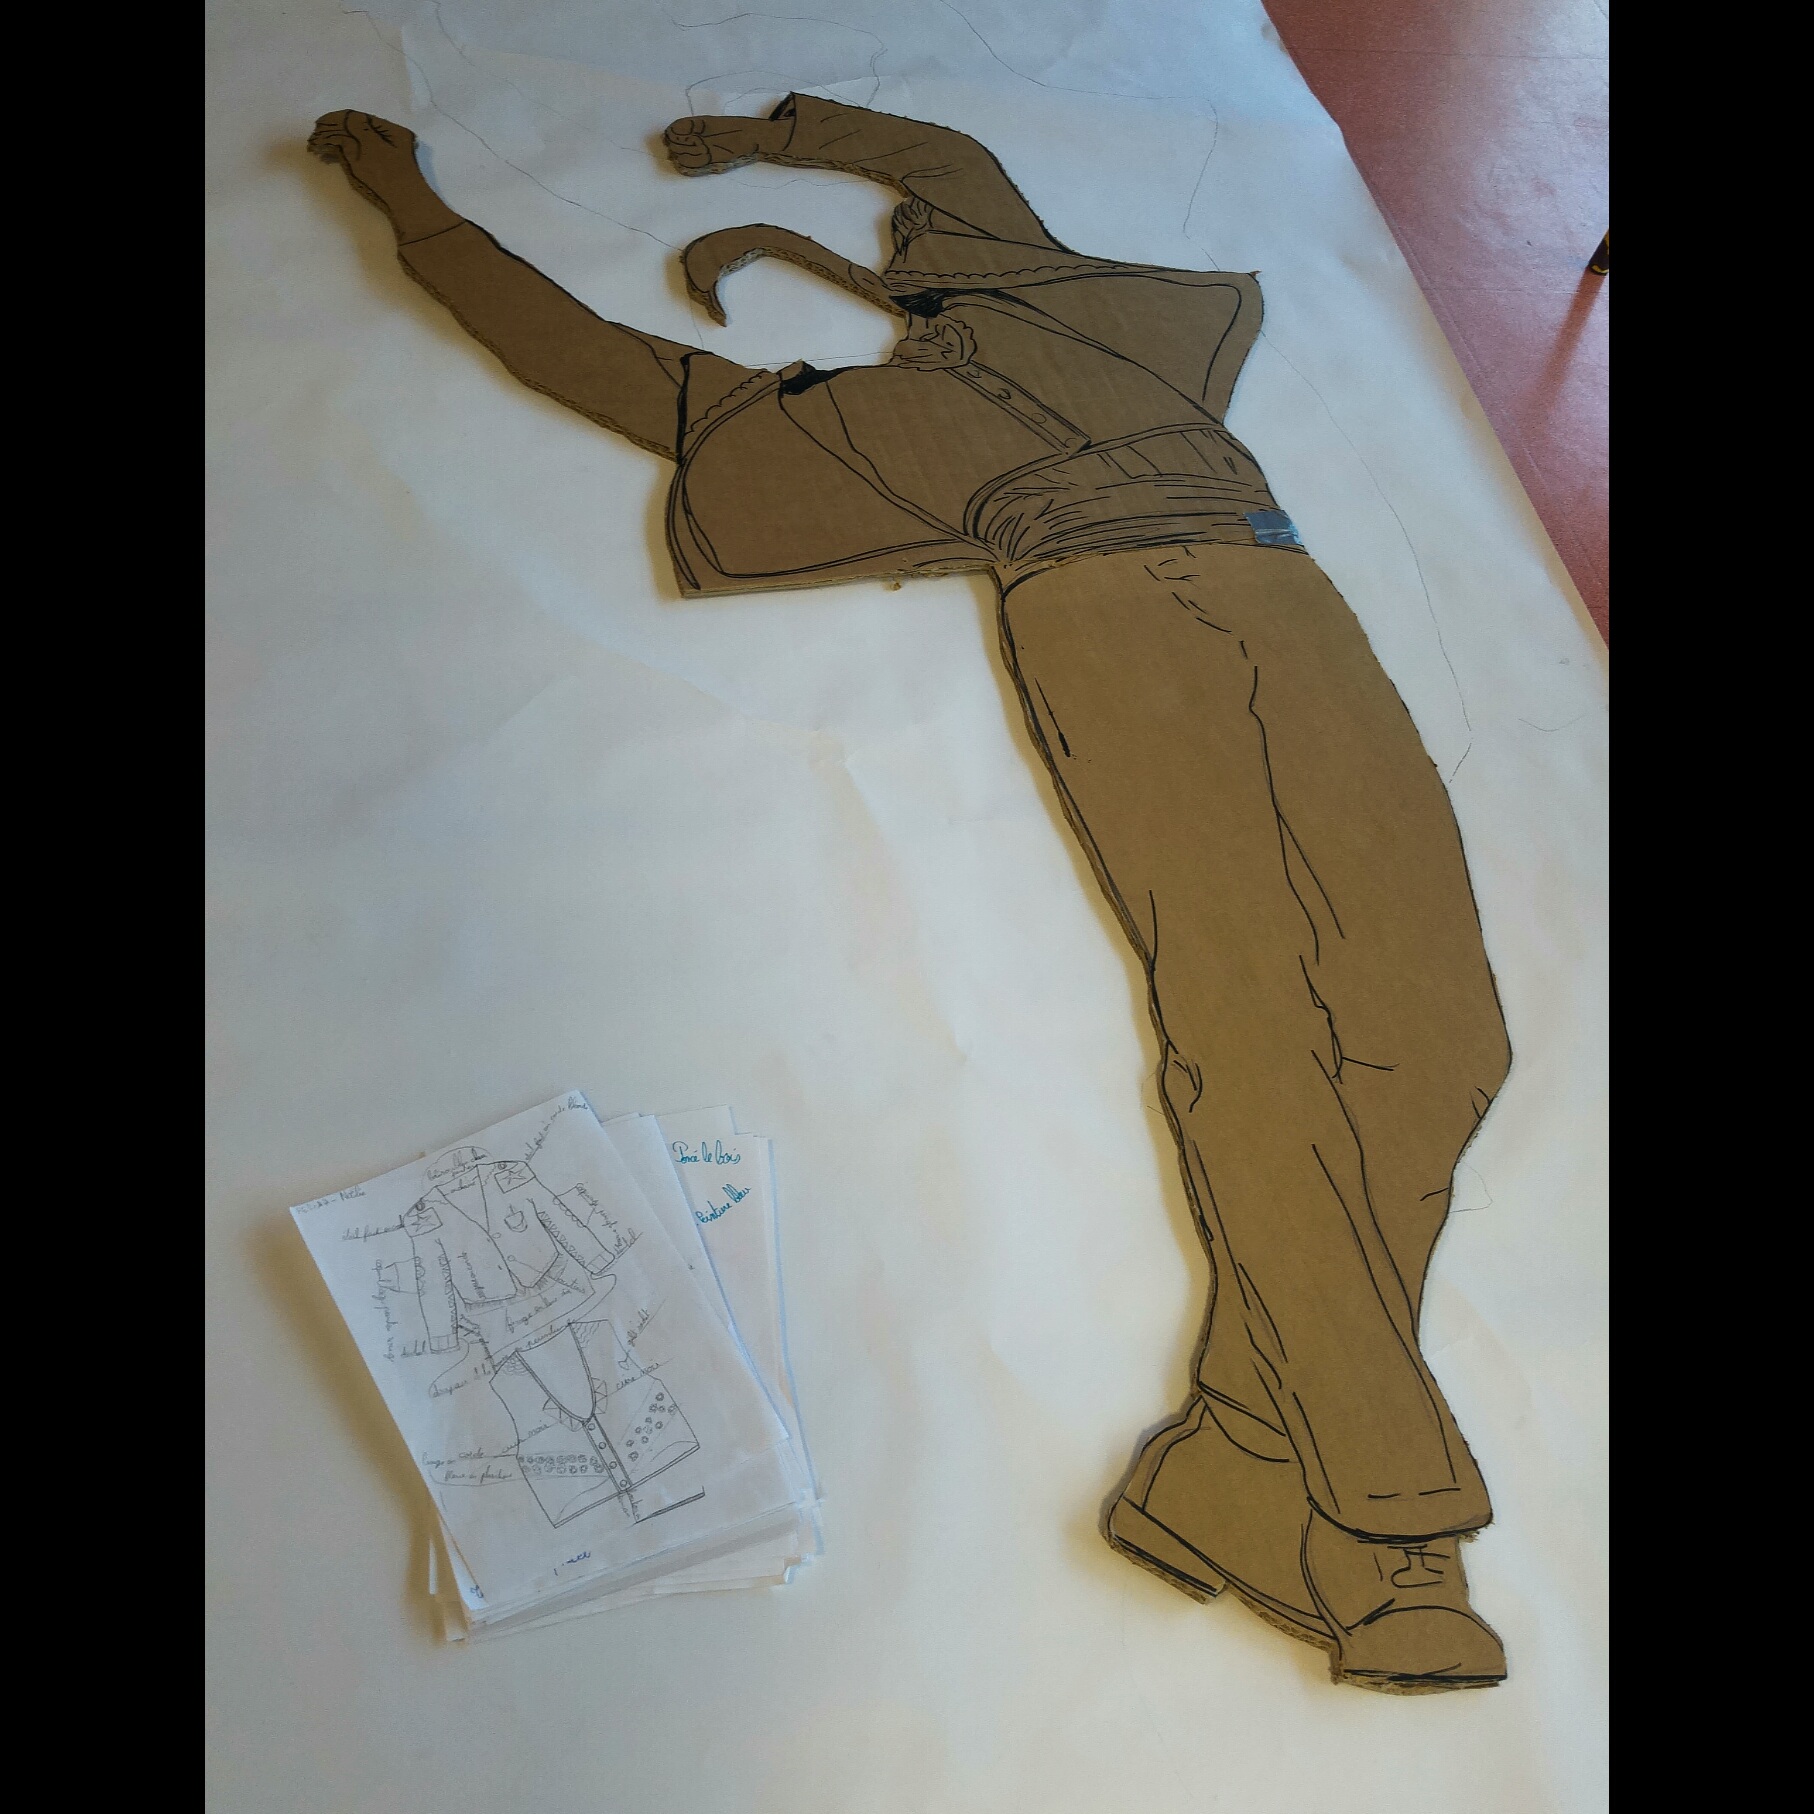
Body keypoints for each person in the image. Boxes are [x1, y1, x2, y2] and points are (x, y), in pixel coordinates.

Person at [310, 96, 1514, 1691]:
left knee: (1444, 1040)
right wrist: (413, 205)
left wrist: (773, 131)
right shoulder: (835, 423)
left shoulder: (1055, 308)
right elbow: (571, 351)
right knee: (1250, 1019)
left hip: (1282, 587)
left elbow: (944, 166)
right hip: (1106, 622)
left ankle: (1229, 1459)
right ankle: (1386, 1521)